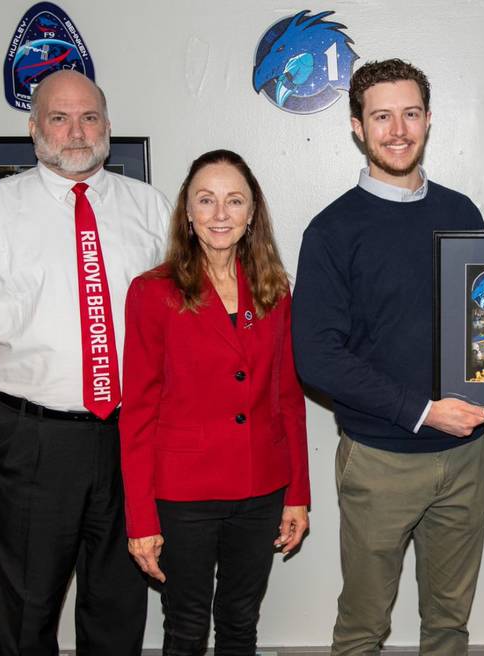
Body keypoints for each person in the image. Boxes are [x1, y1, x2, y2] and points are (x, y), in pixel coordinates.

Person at [291, 58, 484, 656]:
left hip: (465, 458)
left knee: (449, 625)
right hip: (381, 460)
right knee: (362, 627)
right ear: (358, 126)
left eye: (410, 114)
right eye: (382, 116)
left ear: (428, 120)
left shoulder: (462, 215)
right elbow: (317, 357)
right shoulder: (331, 231)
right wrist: (423, 411)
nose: (398, 129)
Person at [0, 69, 171, 654]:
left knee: (118, 606)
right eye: (59, 118)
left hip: (130, 438)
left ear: (108, 126)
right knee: (20, 613)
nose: (76, 131)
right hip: (29, 440)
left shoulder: (153, 209)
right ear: (34, 129)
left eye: (89, 117)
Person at [119, 149, 310, 655]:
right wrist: (141, 520)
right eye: (206, 200)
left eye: (234, 201)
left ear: (252, 215)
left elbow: (289, 400)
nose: (220, 214)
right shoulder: (151, 292)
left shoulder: (274, 291)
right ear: (187, 211)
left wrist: (297, 494)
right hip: (183, 496)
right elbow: (137, 413)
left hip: (261, 487)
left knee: (240, 623)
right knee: (184, 629)